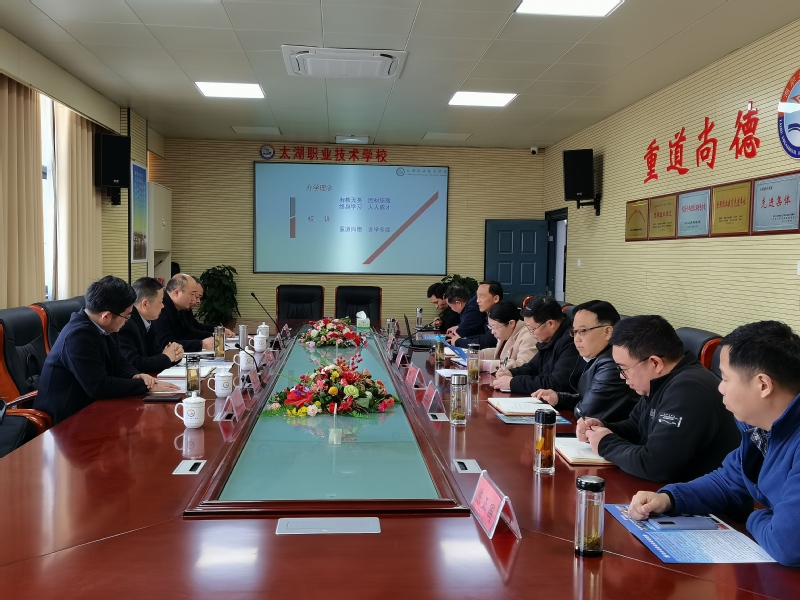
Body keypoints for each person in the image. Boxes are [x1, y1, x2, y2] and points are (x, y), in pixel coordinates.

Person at [627, 321, 800, 567]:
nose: (720, 387)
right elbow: (728, 482)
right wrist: (668, 499)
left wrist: (755, 516)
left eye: (726, 379)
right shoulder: (760, 428)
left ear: (763, 385)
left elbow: (787, 545)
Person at [577, 315, 740, 483]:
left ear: (655, 363)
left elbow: (655, 465)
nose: (621, 376)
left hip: (699, 495)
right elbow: (636, 427)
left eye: (623, 369)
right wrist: (602, 428)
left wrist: (605, 443)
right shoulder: (662, 381)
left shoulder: (689, 389)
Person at [33, 275, 179, 424]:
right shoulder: (78, 336)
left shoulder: (102, 326)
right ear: (106, 316)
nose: (127, 321)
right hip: (66, 418)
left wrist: (137, 375)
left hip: (92, 407)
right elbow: (99, 386)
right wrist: (144, 386)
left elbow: (120, 362)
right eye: (127, 316)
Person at [532, 300, 638, 422]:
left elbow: (585, 412)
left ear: (608, 332)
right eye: (574, 332)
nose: (576, 339)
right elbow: (586, 399)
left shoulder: (612, 364)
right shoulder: (596, 356)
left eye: (582, 331)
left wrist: (572, 403)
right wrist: (559, 398)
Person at [492, 295, 581, 394]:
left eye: (532, 329)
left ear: (551, 324)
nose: (531, 333)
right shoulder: (550, 337)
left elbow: (555, 384)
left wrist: (513, 383)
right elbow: (533, 367)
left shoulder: (572, 342)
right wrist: (511, 373)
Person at [119, 277, 184, 374]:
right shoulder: (126, 324)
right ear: (145, 304)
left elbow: (155, 353)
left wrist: (175, 353)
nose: (163, 306)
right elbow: (134, 363)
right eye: (160, 302)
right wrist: (166, 357)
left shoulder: (148, 321)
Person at [152, 274, 214, 352]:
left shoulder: (179, 307)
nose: (194, 300)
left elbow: (188, 332)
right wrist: (201, 344)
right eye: (192, 294)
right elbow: (164, 343)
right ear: (176, 293)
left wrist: (213, 336)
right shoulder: (161, 308)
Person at [479, 300, 537, 372]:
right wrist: (481, 354)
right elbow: (503, 353)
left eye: (495, 328)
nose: (492, 332)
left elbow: (523, 365)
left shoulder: (529, 336)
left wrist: (486, 366)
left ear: (511, 323)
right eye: (491, 327)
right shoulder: (507, 332)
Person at [450, 281, 502, 349]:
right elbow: (483, 336)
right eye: (477, 296)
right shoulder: (489, 315)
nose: (477, 301)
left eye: (482, 296)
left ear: (496, 299)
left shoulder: (500, 316)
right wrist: (461, 340)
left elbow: (485, 343)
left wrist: (458, 342)